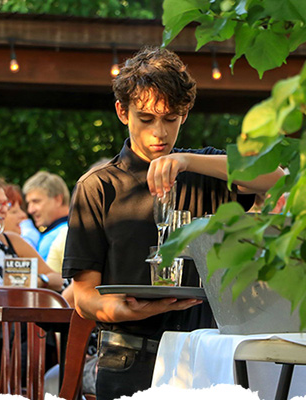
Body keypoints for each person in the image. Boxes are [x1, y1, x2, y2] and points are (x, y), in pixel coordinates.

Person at [62, 46, 285, 400]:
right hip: (129, 355)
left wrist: (187, 161)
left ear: (185, 114)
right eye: (146, 118)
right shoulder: (98, 187)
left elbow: (277, 178)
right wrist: (122, 310)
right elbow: (84, 294)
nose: (159, 133)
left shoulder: (205, 170)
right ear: (122, 112)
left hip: (205, 354)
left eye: (171, 119)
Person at [22, 171, 70, 269]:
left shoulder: (59, 235)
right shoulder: (72, 228)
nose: (30, 210)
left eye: (36, 201)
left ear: (58, 200)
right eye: (28, 204)